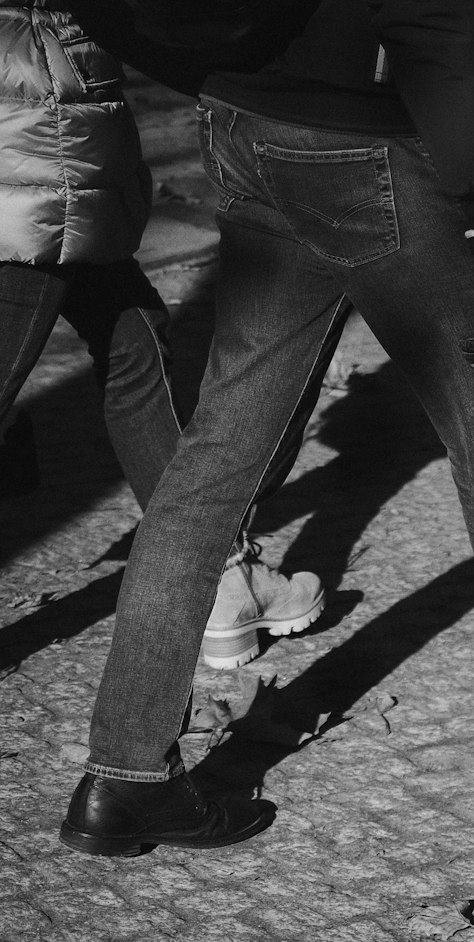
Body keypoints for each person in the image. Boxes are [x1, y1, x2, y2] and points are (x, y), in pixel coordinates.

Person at [60, 0, 474, 859]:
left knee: (211, 462)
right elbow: (441, 32)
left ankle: (123, 779)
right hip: (370, 148)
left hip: (244, 129)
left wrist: (215, 77)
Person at [0, 0, 325, 671]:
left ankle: (219, 582)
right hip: (36, 131)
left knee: (134, 345)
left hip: (50, 132)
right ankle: (219, 582)